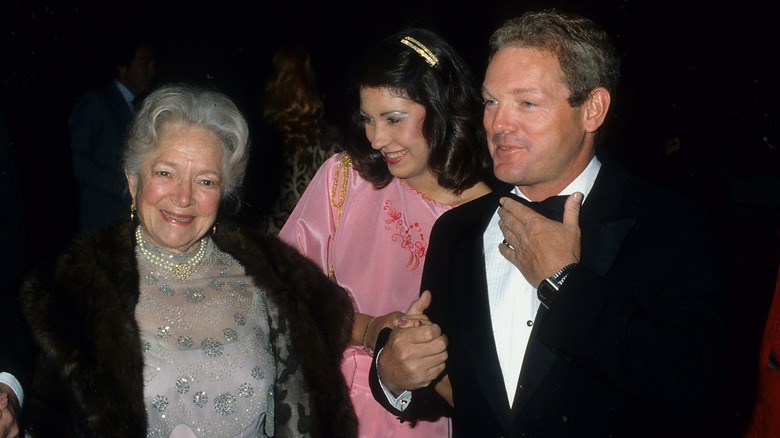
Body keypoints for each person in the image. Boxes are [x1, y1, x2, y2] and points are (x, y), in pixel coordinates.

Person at [371, 9, 728, 436]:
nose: (498, 124)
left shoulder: (674, 225)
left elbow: (699, 392)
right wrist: (392, 375)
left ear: (592, 109)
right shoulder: (456, 232)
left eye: (527, 102)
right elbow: (454, 385)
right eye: (491, 101)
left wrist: (564, 282)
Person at [19, 84, 357, 437]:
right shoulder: (73, 292)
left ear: (224, 193)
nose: (183, 197)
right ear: (133, 181)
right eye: (165, 173)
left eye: (206, 181)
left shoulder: (279, 284)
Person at [278, 28, 493, 437]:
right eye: (368, 120)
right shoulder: (346, 180)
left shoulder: (489, 222)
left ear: (442, 107)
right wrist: (368, 329)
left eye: (394, 119)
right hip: (318, 404)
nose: (376, 139)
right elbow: (280, 292)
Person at [250, 45, 343, 234]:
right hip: (304, 240)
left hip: (271, 242)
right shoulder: (330, 140)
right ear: (310, 77)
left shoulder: (259, 134)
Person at [69, 36, 156, 234]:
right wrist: (123, 186)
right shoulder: (96, 102)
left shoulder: (141, 107)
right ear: (123, 66)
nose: (152, 71)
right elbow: (75, 159)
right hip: (101, 220)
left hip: (130, 222)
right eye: (145, 63)